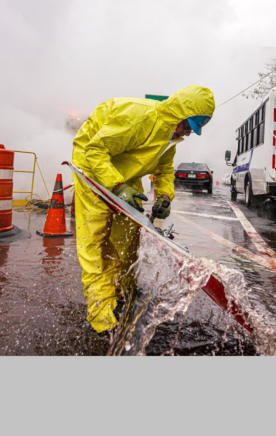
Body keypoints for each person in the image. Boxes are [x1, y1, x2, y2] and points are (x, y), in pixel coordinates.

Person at [71, 84, 215, 333]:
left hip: (125, 174)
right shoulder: (141, 118)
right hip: (94, 171)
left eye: (193, 130)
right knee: (97, 246)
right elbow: (94, 150)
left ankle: (122, 295)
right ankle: (103, 322)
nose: (188, 133)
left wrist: (165, 196)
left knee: (127, 241)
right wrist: (116, 186)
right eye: (188, 126)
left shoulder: (171, 136)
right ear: (178, 114)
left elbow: (164, 170)